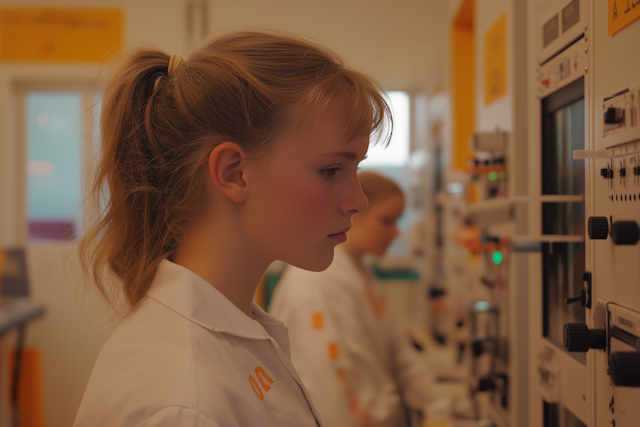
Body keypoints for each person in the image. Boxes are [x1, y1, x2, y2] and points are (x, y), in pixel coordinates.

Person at [74, 31, 392, 427]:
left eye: (355, 168)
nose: (358, 201)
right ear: (234, 173)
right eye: (331, 170)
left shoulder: (237, 332)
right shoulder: (184, 405)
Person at [269, 171, 438, 427]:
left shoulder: (362, 273)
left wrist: (437, 406)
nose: (396, 233)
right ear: (354, 214)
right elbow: (331, 394)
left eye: (398, 221)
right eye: (386, 221)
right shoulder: (316, 282)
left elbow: (398, 351)